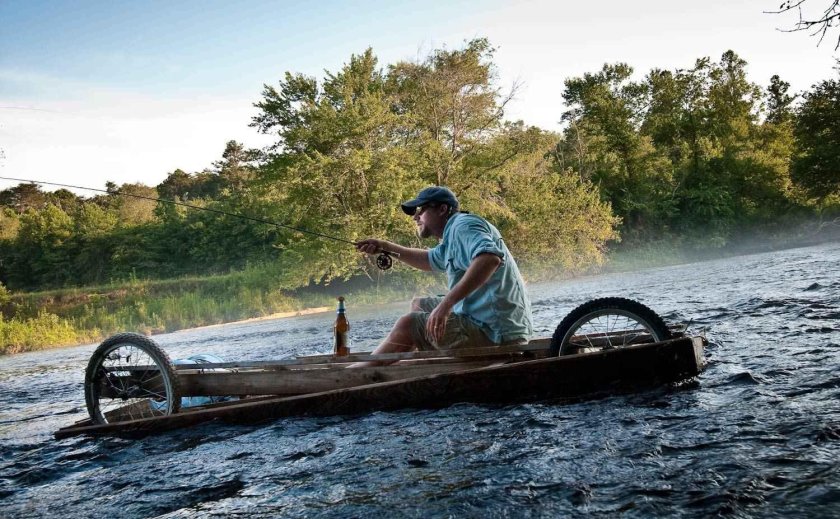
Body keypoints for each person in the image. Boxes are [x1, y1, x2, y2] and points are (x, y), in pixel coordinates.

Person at [355, 186, 533, 359]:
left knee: (408, 324)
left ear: (442, 209)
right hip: (491, 326)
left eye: (421, 209)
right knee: (420, 305)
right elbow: (428, 260)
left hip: (498, 334)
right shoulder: (452, 235)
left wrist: (445, 306)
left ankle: (360, 373)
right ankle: (415, 361)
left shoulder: (463, 226)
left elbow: (489, 259)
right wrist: (384, 246)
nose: (415, 216)